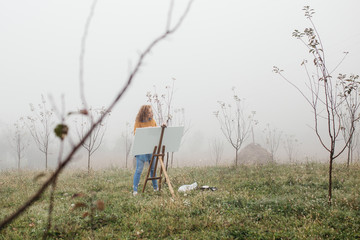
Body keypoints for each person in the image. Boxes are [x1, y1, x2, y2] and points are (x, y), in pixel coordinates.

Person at [132, 105, 158, 196]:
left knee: (153, 169)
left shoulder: (153, 121)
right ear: (145, 113)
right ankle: (135, 190)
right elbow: (136, 133)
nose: (151, 113)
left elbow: (156, 133)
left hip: (151, 147)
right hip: (141, 147)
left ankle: (156, 188)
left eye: (151, 112)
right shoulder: (138, 122)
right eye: (149, 112)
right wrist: (146, 131)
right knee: (139, 169)